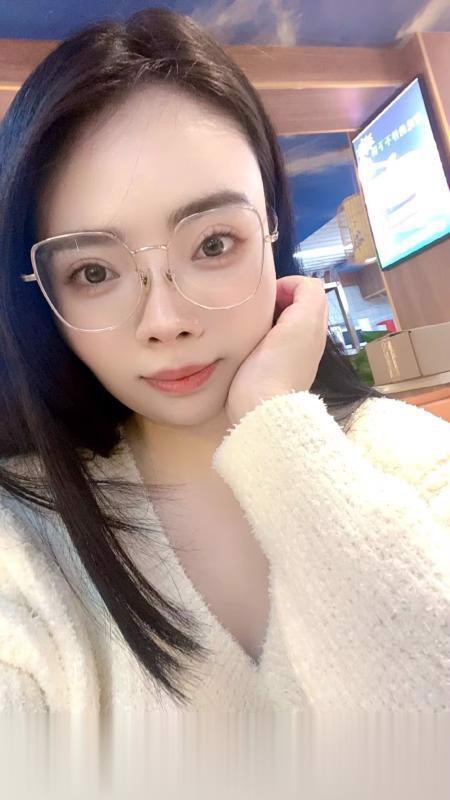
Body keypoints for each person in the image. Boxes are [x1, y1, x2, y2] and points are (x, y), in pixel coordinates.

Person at [0, 7, 449, 714]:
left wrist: (275, 428)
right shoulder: (24, 547)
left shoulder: (412, 460)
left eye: (213, 244)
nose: (166, 321)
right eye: (93, 272)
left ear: (272, 229)